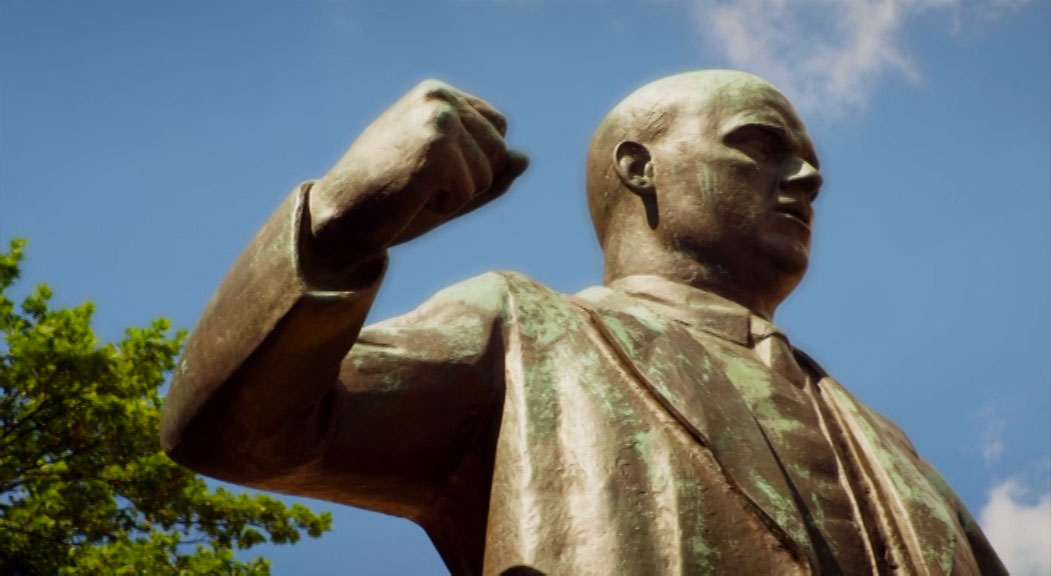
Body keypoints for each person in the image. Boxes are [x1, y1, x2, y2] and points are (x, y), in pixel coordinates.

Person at [160, 71, 1005, 575]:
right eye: (760, 144)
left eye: (808, 159)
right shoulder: (524, 332)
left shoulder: (892, 451)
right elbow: (235, 432)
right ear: (639, 169)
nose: (808, 177)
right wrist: (336, 225)